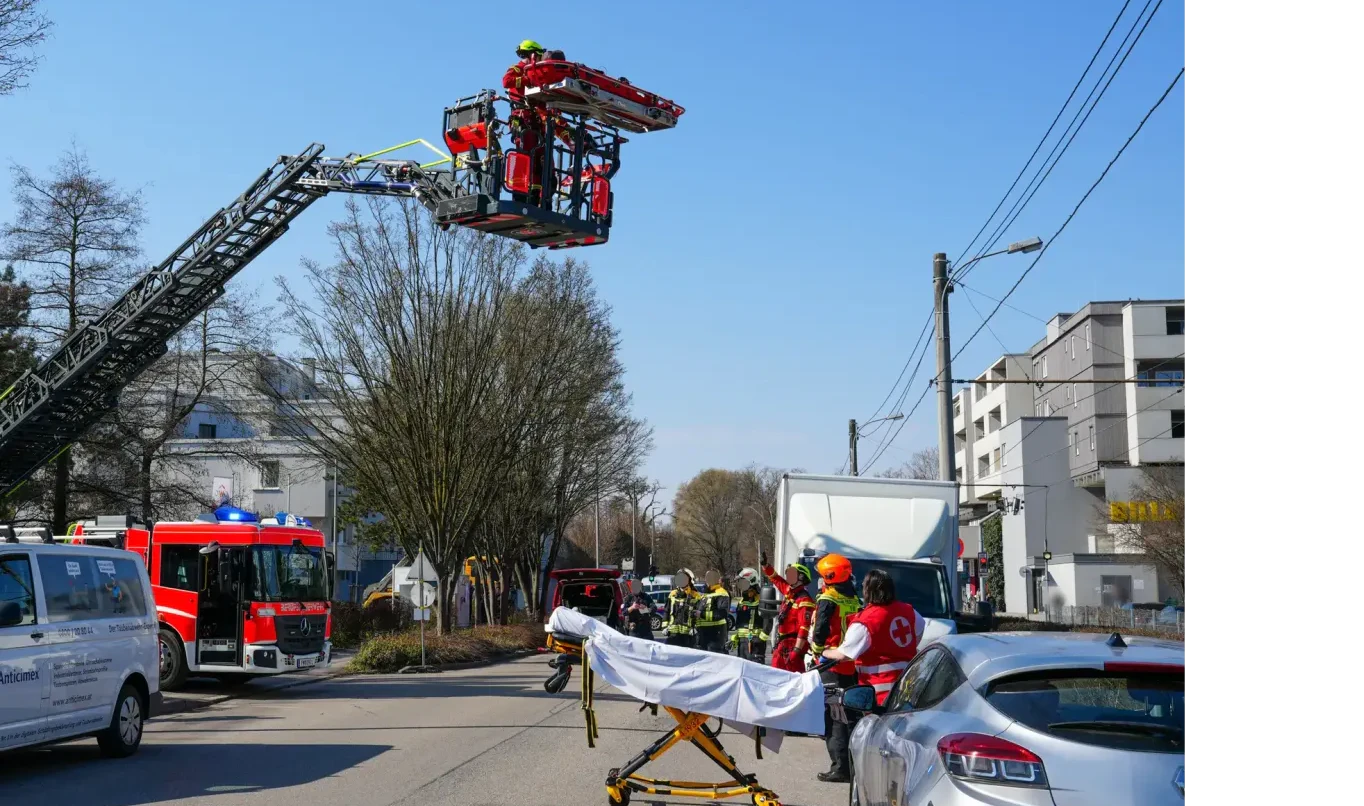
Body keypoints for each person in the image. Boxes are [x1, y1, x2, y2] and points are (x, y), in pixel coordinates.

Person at [821, 569, 925, 776]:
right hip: (908, 688)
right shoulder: (908, 611)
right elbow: (919, 633)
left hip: (878, 693)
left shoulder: (866, 620)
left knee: (880, 742)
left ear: (869, 590)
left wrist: (825, 652)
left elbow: (845, 654)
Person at [807, 553, 861, 783]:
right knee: (848, 715)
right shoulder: (855, 598)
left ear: (830, 575)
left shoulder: (828, 598)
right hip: (850, 663)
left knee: (833, 716)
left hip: (830, 663)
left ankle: (840, 767)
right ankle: (850, 763)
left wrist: (816, 653)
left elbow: (820, 632)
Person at [501, 39, 573, 205]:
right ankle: (522, 197)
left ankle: (542, 198)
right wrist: (527, 79)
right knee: (526, 159)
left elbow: (550, 111)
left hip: (538, 124)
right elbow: (507, 82)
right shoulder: (517, 69)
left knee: (544, 164)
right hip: (523, 121)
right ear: (532, 54)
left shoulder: (539, 77)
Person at [760, 550, 815, 673]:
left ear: (801, 577)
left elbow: (804, 628)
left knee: (793, 680)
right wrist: (765, 566)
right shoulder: (789, 591)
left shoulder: (804, 600)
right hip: (782, 645)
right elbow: (775, 578)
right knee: (775, 676)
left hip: (793, 645)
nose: (788, 576)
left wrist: (796, 650)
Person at [729, 570, 765, 661]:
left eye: (743, 583)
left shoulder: (762, 600)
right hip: (742, 643)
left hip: (756, 643)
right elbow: (740, 622)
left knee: (755, 670)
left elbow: (768, 622)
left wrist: (760, 639)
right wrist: (736, 637)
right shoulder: (741, 601)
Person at [694, 570, 731, 653]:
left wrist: (701, 614)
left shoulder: (722, 593)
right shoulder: (704, 594)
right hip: (703, 634)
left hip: (716, 635)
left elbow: (722, 613)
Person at [662, 569, 700, 647]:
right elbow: (667, 611)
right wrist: (665, 627)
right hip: (673, 633)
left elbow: (699, 614)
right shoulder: (672, 594)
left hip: (688, 634)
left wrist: (696, 628)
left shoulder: (695, 595)